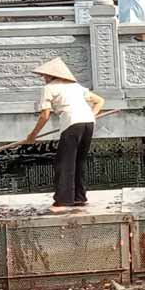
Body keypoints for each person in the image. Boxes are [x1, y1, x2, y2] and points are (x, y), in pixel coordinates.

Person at [25, 57, 105, 213]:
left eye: (45, 76)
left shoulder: (49, 88)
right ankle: (79, 197)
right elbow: (100, 101)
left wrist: (32, 135)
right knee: (78, 161)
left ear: (51, 76)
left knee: (65, 162)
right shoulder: (76, 87)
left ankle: (63, 201)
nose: (44, 78)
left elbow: (44, 115)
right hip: (88, 123)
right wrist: (92, 114)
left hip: (72, 124)